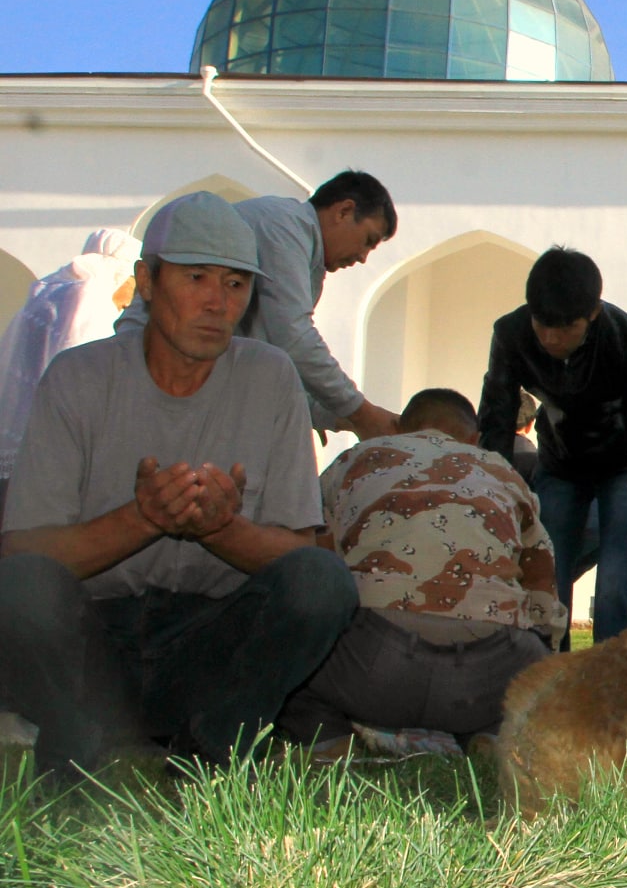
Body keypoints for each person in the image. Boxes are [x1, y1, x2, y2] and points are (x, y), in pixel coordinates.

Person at [0, 191, 356, 777]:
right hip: (93, 645)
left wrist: (223, 529)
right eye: (196, 278)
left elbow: (302, 556)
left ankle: (210, 750)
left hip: (208, 649)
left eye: (237, 284)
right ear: (147, 281)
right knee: (21, 586)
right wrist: (142, 519)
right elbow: (23, 553)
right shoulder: (78, 378)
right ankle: (75, 740)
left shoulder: (271, 379)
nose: (218, 302)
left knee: (324, 582)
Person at [278, 388, 565, 757]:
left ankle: (327, 739)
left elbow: (314, 555)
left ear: (398, 428)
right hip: (489, 673)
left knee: (289, 657)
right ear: (474, 439)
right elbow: (542, 579)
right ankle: (493, 733)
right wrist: (541, 655)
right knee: (532, 668)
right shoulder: (502, 471)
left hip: (371, 667)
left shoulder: (358, 458)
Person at [477, 247, 627, 648]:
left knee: (617, 583)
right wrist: (493, 510)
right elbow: (496, 426)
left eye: (565, 328)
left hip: (621, 469)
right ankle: (550, 679)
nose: (549, 338)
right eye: (542, 324)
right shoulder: (511, 334)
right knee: (546, 581)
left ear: (593, 314)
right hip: (559, 466)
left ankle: (609, 685)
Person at [120, 172, 399, 440]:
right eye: (368, 240)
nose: (363, 257)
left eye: (235, 284)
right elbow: (292, 337)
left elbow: (268, 353)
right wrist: (360, 412)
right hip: (150, 382)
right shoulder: (283, 226)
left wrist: (331, 414)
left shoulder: (298, 246)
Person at [0, 229, 141, 494]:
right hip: (59, 454)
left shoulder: (46, 293)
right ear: (118, 274)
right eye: (132, 284)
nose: (132, 299)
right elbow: (87, 379)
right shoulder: (91, 300)